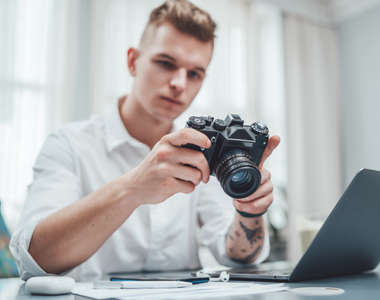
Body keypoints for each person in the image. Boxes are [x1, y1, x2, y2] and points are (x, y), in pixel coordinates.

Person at [10, 0, 280, 281]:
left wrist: (250, 212)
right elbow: (35, 258)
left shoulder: (206, 149)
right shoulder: (68, 144)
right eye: (166, 63)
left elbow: (235, 254)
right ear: (132, 61)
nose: (179, 83)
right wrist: (133, 188)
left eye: (194, 73)